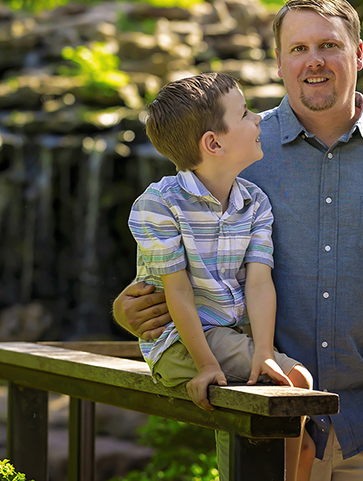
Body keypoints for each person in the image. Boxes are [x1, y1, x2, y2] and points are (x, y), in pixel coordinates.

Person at [115, 0, 363, 480]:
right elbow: (177, 257)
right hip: (265, 422)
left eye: (329, 45)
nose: (315, 61)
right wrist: (126, 309)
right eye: (298, 48)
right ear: (278, 60)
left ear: (357, 53)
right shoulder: (236, 147)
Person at [130, 72, 316, 481]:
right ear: (214, 143)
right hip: (181, 342)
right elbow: (176, 291)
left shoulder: (254, 202)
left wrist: (264, 350)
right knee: (297, 384)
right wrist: (205, 364)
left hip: (229, 335)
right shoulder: (157, 205)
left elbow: (259, 281)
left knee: (297, 410)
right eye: (246, 113)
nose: (258, 120)